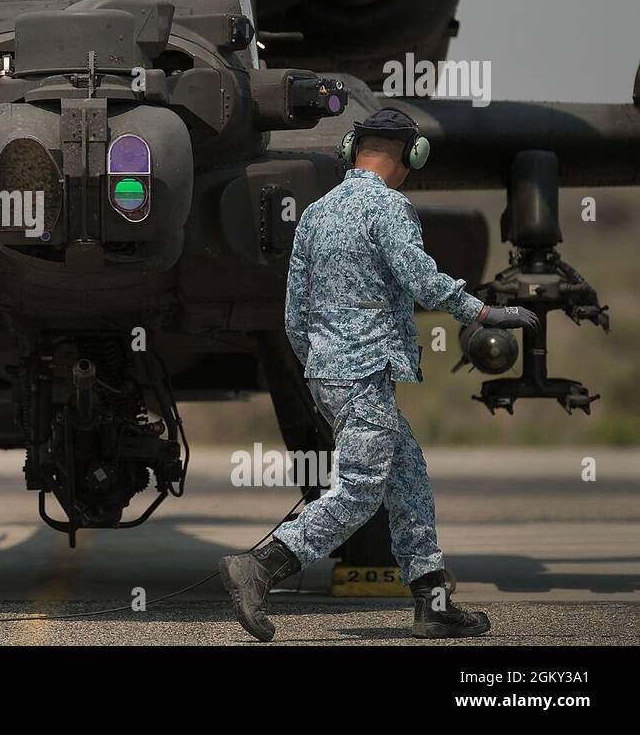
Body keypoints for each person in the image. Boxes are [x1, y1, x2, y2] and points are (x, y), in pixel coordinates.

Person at [219, 108, 539, 641]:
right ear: (411, 155)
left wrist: (323, 364)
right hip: (365, 374)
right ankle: (261, 566)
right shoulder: (389, 208)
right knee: (362, 491)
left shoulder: (316, 213)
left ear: (351, 149)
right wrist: (484, 313)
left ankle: (432, 604)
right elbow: (424, 281)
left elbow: (294, 315)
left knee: (408, 479)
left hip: (327, 374)